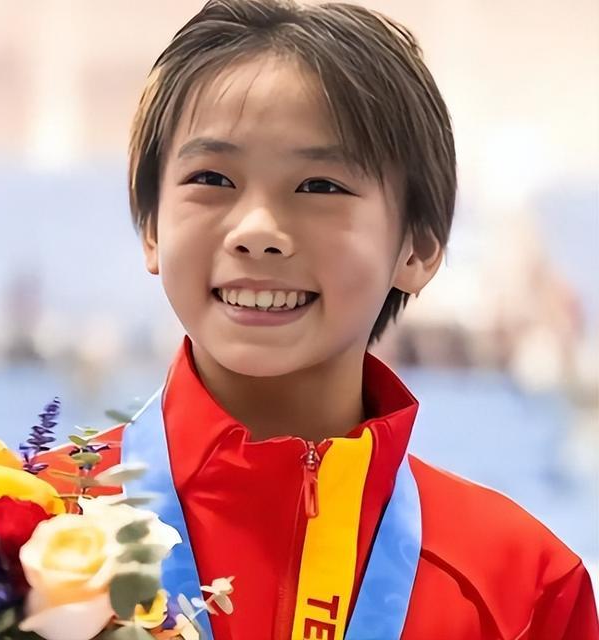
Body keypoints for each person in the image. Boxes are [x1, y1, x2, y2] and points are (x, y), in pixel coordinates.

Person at [41, 0, 599, 637]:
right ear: (151, 229)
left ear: (417, 247)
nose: (257, 230)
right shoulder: (15, 532)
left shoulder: (522, 587)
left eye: (320, 187)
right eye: (212, 177)